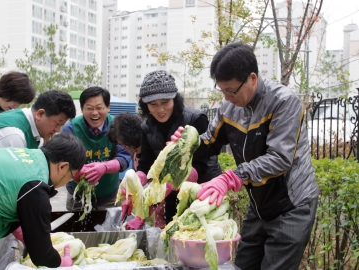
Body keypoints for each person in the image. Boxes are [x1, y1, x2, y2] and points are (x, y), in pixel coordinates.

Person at [171, 41, 319, 270]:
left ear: (252, 78)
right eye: (222, 90)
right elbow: (210, 141)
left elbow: (280, 158)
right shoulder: (228, 108)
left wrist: (231, 177)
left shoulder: (284, 102)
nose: (227, 97)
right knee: (243, 264)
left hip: (291, 204)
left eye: (231, 90)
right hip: (259, 202)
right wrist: (186, 145)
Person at [121, 70, 222, 230]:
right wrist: (134, 185)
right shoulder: (146, 127)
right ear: (145, 105)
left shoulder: (195, 119)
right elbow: (146, 165)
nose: (160, 109)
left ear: (175, 99)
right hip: (171, 195)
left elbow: (205, 163)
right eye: (153, 105)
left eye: (165, 102)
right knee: (172, 235)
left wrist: (177, 179)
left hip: (203, 193)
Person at [0, 132, 86, 269]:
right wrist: (61, 262)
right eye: (71, 176)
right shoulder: (35, 187)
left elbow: (4, 191)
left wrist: (19, 230)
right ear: (62, 167)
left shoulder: (26, 154)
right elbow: (42, 255)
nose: (69, 180)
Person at [62, 86, 131, 211]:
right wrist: (75, 171)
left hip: (109, 197)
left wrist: (104, 167)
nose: (94, 113)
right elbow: (62, 160)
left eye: (99, 108)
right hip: (77, 197)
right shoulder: (71, 128)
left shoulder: (117, 126)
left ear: (108, 107)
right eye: (89, 108)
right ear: (82, 109)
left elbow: (124, 158)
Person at [0, 90, 76, 150]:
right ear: (40, 114)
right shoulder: (14, 135)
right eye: (57, 123)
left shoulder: (35, 128)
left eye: (61, 125)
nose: (57, 130)